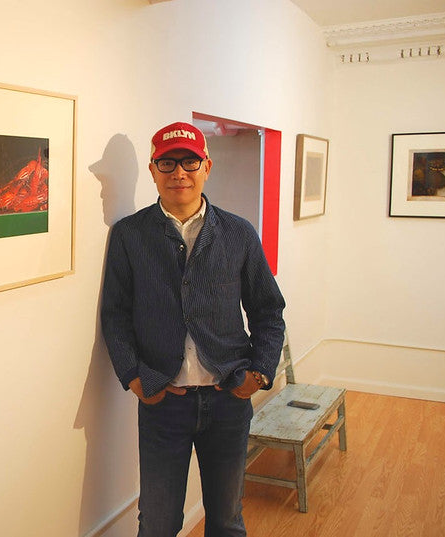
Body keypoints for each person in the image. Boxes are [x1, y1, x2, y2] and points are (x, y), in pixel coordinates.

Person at [100, 121, 286, 537]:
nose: (178, 172)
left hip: (228, 397)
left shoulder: (237, 233)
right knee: (159, 523)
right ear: (152, 170)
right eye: (167, 162)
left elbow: (268, 309)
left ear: (207, 166)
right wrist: (133, 376)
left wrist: (259, 371)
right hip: (162, 401)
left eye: (189, 161)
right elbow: (115, 314)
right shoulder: (130, 234)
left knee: (226, 519)